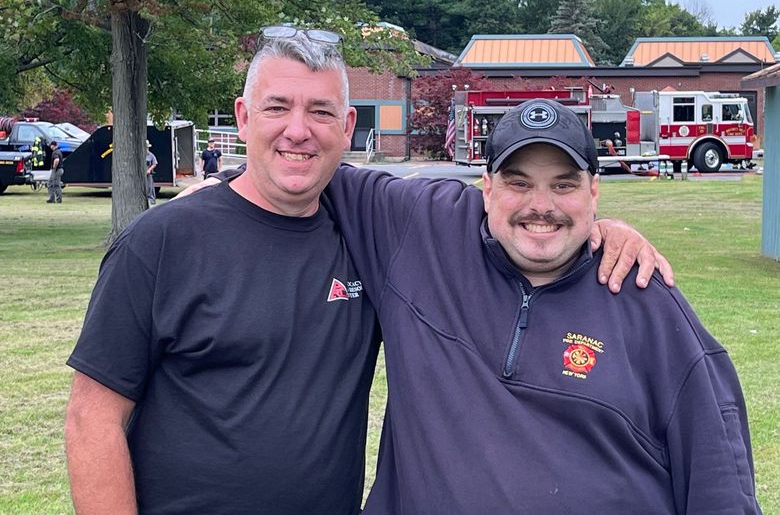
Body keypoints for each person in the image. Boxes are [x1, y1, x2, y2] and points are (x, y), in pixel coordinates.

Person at [65, 30, 670, 515]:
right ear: (244, 117)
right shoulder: (163, 240)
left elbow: (507, 211)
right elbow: (92, 418)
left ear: (348, 127)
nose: (297, 129)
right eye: (278, 107)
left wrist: (600, 225)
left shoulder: (370, 238)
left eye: (320, 111)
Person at [315, 99, 761, 514]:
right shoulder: (421, 233)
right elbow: (299, 167)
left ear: (594, 192)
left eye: (564, 184)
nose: (541, 206)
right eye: (519, 182)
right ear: (486, 188)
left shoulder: (645, 298)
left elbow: (720, 478)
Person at [145, 140, 158, 206]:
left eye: (147, 147)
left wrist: (149, 170)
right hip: (141, 175)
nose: (147, 149)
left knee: (150, 187)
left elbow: (155, 164)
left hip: (148, 174)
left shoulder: (151, 155)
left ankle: (151, 200)